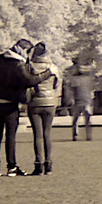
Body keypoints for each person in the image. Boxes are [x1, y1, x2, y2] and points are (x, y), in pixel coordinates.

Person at [0, 39, 40, 176]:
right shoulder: (17, 64)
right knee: (10, 136)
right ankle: (11, 166)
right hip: (10, 104)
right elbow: (29, 80)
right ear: (24, 50)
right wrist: (46, 74)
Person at [26, 43, 61, 175]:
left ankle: (38, 164)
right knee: (47, 134)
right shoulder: (53, 67)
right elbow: (57, 85)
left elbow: (27, 83)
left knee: (37, 135)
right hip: (50, 102)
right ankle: (49, 164)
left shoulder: (30, 67)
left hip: (35, 102)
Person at [67, 68, 94, 141]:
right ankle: (89, 135)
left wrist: (70, 101)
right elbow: (91, 91)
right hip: (87, 102)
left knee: (75, 120)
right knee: (88, 120)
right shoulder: (88, 80)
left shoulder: (74, 80)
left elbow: (71, 91)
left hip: (78, 102)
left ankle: (75, 135)